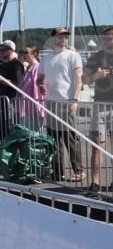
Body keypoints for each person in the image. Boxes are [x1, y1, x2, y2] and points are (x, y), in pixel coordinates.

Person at [41, 27, 84, 182]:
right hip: (51, 102)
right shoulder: (46, 58)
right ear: (53, 38)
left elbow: (78, 79)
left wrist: (75, 99)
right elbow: (40, 78)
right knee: (53, 139)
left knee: (70, 138)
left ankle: (79, 171)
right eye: (60, 36)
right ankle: (57, 171)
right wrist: (41, 85)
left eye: (65, 36)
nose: (63, 39)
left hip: (66, 101)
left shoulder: (73, 55)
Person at [83, 27, 113, 194]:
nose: (105, 41)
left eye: (109, 38)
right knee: (97, 145)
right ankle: (95, 183)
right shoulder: (96, 57)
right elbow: (84, 79)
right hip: (100, 106)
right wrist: (97, 76)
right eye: (104, 38)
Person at [0, 39, 25, 140]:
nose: (1, 52)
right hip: (2, 99)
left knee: (11, 126)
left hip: (12, 100)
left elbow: (17, 84)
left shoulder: (17, 64)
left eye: (4, 50)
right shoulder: (2, 65)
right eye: (0, 50)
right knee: (2, 127)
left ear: (11, 50)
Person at [15, 45, 45, 132]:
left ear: (34, 54)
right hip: (26, 107)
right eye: (22, 52)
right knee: (26, 132)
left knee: (33, 133)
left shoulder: (37, 68)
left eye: (26, 52)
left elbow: (37, 87)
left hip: (33, 108)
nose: (23, 55)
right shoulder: (28, 68)